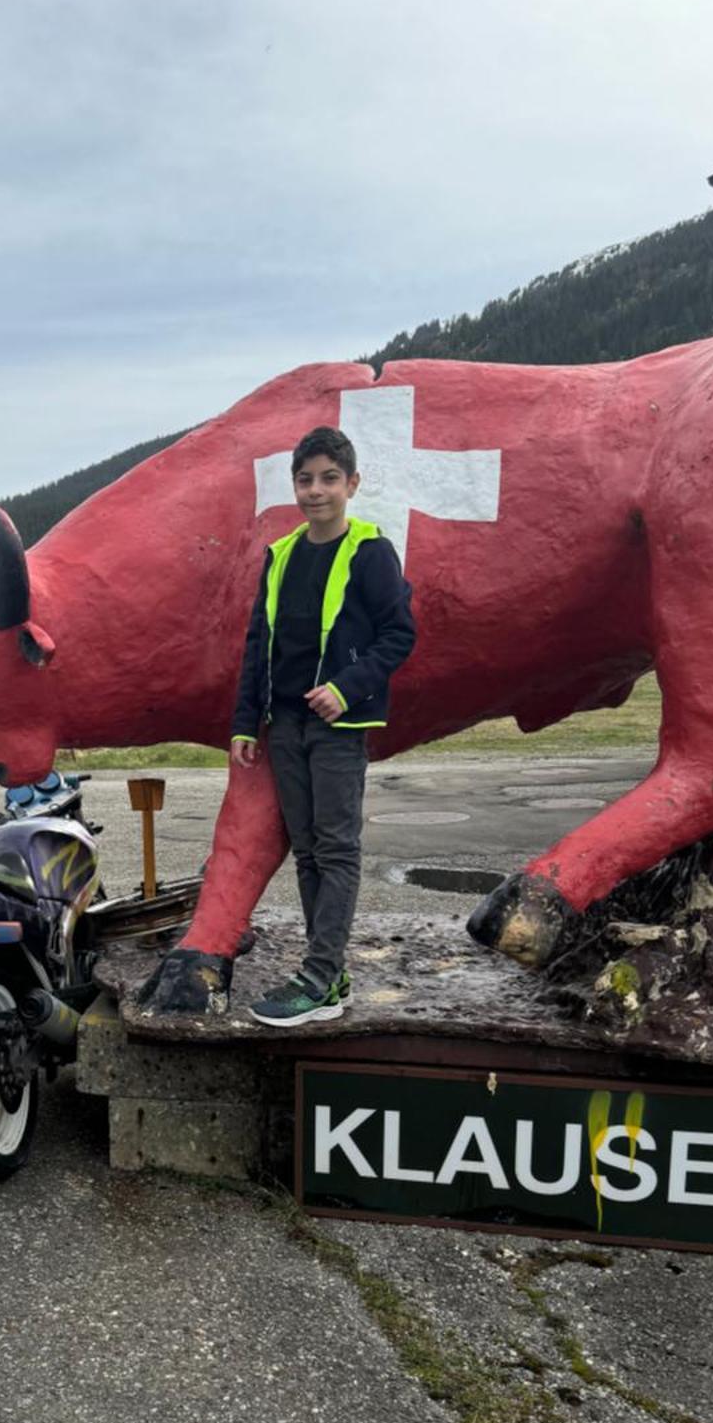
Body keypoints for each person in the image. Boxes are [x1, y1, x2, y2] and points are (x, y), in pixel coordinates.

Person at [230, 425, 416, 1026]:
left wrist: (346, 688)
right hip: (282, 724)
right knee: (307, 851)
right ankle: (327, 975)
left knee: (336, 850)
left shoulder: (370, 551)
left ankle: (320, 974)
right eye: (305, 479)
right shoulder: (281, 554)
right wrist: (242, 722)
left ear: (352, 484)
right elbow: (258, 641)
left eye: (329, 479)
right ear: (294, 485)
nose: (316, 491)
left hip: (339, 724)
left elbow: (400, 635)